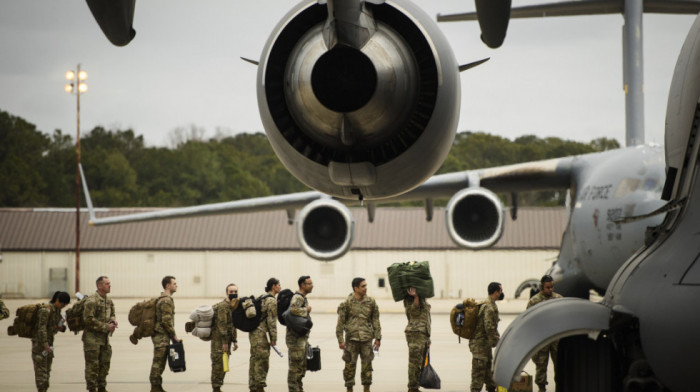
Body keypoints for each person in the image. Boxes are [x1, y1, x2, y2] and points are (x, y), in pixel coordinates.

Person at [336, 277, 382, 392]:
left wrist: (378, 338)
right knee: (349, 367)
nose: (365, 288)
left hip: (366, 340)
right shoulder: (346, 303)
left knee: (367, 367)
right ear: (355, 288)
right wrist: (340, 340)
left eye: (366, 285)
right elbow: (340, 323)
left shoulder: (371, 302)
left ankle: (366, 389)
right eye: (363, 286)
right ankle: (349, 389)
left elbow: (375, 320)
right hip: (351, 340)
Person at [527, 275, 563, 392]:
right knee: (541, 365)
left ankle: (560, 386)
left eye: (552, 287)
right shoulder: (534, 301)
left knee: (559, 365)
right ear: (542, 287)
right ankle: (541, 387)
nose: (550, 289)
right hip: (541, 339)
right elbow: (528, 321)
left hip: (555, 338)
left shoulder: (559, 299)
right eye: (548, 287)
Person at [82, 276, 117, 392]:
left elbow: (112, 313)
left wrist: (113, 320)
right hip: (92, 340)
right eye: (107, 283)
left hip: (104, 340)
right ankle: (92, 389)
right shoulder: (92, 301)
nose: (110, 285)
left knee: (104, 365)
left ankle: (102, 388)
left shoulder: (109, 300)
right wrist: (106, 327)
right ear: (99, 286)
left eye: (109, 283)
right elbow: (88, 320)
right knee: (92, 367)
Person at [32, 291, 70, 392]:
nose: (63, 306)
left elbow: (53, 328)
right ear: (57, 300)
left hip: (48, 346)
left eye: (65, 305)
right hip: (40, 347)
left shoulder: (56, 311)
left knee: (47, 375)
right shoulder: (46, 310)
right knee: (41, 378)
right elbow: (41, 329)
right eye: (62, 304)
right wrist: (45, 345)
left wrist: (60, 327)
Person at [469, 282, 503, 392]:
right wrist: (494, 341)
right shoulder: (489, 307)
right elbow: (489, 326)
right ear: (496, 292)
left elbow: (491, 326)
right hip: (480, 347)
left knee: (489, 377)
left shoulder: (488, 304)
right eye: (500, 291)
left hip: (484, 347)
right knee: (477, 379)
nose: (502, 293)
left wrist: (496, 337)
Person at [249, 278, 281, 392]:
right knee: (262, 361)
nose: (280, 287)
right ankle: (259, 387)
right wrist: (274, 339)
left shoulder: (262, 296)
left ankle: (253, 387)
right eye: (278, 285)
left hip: (254, 333)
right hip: (262, 335)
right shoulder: (271, 301)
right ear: (273, 286)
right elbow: (271, 321)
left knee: (254, 360)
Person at [150, 276, 179, 392]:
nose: (176, 285)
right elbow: (166, 320)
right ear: (168, 285)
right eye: (174, 283)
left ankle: (157, 386)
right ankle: (155, 387)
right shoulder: (166, 300)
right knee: (158, 362)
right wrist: (174, 335)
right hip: (161, 336)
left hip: (162, 335)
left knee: (160, 362)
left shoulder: (164, 298)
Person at [286, 275, 313, 392]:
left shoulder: (302, 297)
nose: (312, 286)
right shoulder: (298, 297)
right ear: (303, 285)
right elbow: (293, 309)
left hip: (301, 338)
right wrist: (306, 310)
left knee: (301, 368)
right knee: (294, 369)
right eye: (309, 284)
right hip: (295, 339)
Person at [211, 283, 239, 392]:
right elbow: (222, 325)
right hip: (219, 342)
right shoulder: (223, 306)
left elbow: (232, 325)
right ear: (226, 293)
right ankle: (216, 388)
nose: (233, 293)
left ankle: (218, 387)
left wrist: (234, 340)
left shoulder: (233, 306)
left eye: (235, 292)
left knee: (223, 365)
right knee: (218, 365)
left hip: (227, 341)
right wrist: (224, 342)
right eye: (231, 292)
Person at [404, 286, 430, 392]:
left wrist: (428, 337)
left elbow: (426, 319)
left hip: (423, 334)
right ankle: (412, 388)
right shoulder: (409, 300)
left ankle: (415, 387)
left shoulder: (422, 300)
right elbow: (414, 312)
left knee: (420, 362)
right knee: (414, 362)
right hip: (415, 334)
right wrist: (415, 297)